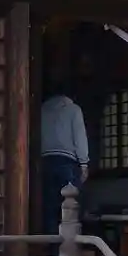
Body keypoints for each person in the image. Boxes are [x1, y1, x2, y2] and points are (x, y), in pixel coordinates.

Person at [39, 81, 88, 234]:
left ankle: (51, 242)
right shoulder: (74, 110)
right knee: (70, 206)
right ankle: (69, 242)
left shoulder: (42, 110)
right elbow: (80, 137)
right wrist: (84, 163)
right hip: (67, 161)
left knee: (49, 206)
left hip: (46, 159)